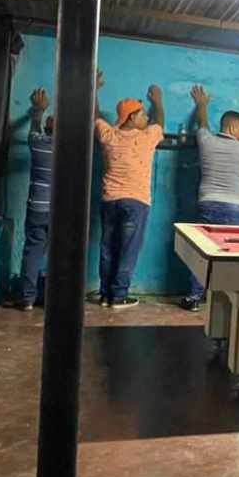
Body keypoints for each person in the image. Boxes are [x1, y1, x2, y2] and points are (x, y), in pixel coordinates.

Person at [179, 85, 239, 311]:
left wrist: (202, 104)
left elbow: (202, 123)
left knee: (203, 252)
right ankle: (230, 299)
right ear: (233, 127)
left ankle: (194, 297)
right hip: (236, 208)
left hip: (208, 203)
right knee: (234, 255)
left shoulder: (206, 141)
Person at [95, 81, 165, 308]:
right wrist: (158, 102)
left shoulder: (108, 135)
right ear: (132, 117)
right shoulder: (147, 137)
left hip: (109, 201)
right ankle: (119, 296)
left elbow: (95, 116)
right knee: (128, 250)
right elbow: (160, 122)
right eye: (143, 114)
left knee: (107, 248)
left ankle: (105, 295)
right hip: (136, 202)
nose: (147, 118)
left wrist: (93, 90)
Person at [17, 87, 55, 310]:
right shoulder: (72, 150)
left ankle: (27, 299)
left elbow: (33, 127)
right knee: (57, 255)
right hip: (60, 209)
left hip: (37, 209)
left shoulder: (39, 144)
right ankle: (52, 297)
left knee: (32, 252)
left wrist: (39, 109)